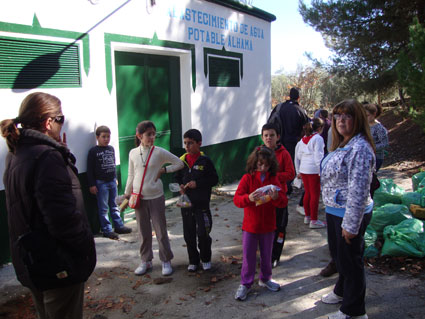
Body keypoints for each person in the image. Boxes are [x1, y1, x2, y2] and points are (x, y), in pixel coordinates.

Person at [1, 92, 96, 319]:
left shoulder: (16, 154)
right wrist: (83, 248)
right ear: (48, 122)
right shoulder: (47, 157)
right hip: (58, 264)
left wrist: (63, 153)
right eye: (61, 119)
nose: (62, 124)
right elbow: (61, 217)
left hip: (33, 260)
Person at [320, 99, 375, 319]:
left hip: (348, 214)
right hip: (335, 210)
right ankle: (342, 291)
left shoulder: (360, 148)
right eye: (338, 116)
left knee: (351, 263)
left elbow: (359, 191)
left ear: (357, 119)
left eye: (347, 116)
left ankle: (354, 312)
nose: (341, 120)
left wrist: (351, 225)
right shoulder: (345, 142)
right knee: (340, 257)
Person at [124, 120, 184, 276]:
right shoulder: (133, 153)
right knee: (143, 232)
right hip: (139, 197)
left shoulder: (159, 152)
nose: (152, 137)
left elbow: (179, 163)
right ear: (139, 136)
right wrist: (127, 193)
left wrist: (164, 170)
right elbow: (131, 174)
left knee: (160, 231)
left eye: (153, 134)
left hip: (156, 197)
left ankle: (166, 260)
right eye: (148, 135)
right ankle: (146, 260)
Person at [233, 147, 287, 301]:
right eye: (260, 164)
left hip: (268, 226)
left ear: (271, 165)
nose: (263, 168)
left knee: (267, 254)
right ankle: (245, 283)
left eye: (266, 165)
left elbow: (283, 202)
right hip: (250, 226)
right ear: (254, 163)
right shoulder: (247, 178)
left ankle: (265, 278)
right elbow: (237, 199)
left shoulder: (273, 179)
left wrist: (276, 197)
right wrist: (248, 198)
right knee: (248, 256)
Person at [174, 129, 218, 272]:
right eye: (185, 143)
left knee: (203, 233)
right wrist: (180, 186)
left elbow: (214, 179)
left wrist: (198, 184)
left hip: (202, 204)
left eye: (191, 143)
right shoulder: (181, 162)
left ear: (199, 143)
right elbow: (177, 179)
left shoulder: (205, 161)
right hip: (186, 205)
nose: (187, 146)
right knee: (189, 234)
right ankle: (193, 261)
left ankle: (205, 259)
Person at [87, 125, 132, 239]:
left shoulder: (111, 149)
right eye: (104, 137)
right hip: (101, 183)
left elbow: (113, 163)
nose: (106, 139)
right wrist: (92, 184)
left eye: (108, 137)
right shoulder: (93, 151)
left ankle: (118, 226)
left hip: (112, 181)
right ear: (97, 137)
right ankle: (106, 229)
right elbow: (90, 169)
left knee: (114, 205)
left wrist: (115, 177)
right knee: (103, 208)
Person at [260, 123, 294, 268]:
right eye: (266, 135)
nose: (269, 138)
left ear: (278, 137)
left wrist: (274, 177)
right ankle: (264, 253)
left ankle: (275, 255)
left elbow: (291, 173)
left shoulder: (284, 154)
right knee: (264, 227)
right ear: (262, 137)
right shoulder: (258, 153)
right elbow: (251, 170)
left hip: (279, 198)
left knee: (279, 227)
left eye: (272, 135)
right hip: (263, 198)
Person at [276, 87, 309, 195]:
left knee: (281, 162)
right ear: (299, 97)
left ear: (289, 96)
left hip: (280, 140)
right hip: (294, 142)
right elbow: (307, 126)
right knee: (291, 164)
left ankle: (279, 185)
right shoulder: (300, 110)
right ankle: (287, 186)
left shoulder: (280, 107)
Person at [295, 118, 326, 228]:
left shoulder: (303, 139)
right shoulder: (318, 138)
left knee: (308, 192)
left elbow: (298, 156)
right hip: (313, 170)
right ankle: (314, 220)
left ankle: (307, 216)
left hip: (304, 169)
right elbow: (319, 156)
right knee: (315, 195)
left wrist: (298, 169)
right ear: (320, 128)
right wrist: (321, 171)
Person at [363, 103, 388, 171]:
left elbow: (384, 144)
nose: (365, 117)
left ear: (374, 114)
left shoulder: (379, 128)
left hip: (376, 158)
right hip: (364, 157)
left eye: (367, 115)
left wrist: (371, 148)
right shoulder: (363, 126)